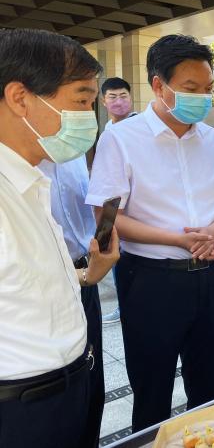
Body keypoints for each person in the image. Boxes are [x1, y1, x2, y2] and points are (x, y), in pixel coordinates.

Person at [87, 34, 214, 432]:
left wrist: (212, 233)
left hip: (209, 277)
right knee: (152, 388)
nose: (203, 98)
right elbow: (107, 218)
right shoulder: (121, 139)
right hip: (151, 281)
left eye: (207, 89)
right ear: (159, 85)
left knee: (209, 385)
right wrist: (176, 239)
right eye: (191, 89)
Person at [0, 28, 118, 448]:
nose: (90, 117)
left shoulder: (30, 180)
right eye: (82, 101)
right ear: (20, 98)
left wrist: (89, 276)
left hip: (66, 388)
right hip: (22, 409)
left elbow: (28, 289)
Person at [37, 156, 106, 448]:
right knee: (50, 402)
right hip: (40, 297)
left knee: (91, 389)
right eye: (78, 105)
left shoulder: (74, 154)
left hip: (85, 282)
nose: (83, 115)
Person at [102, 77, 137, 324]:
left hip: (134, 212)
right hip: (112, 210)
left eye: (123, 95)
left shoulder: (138, 127)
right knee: (115, 258)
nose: (119, 101)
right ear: (103, 101)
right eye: (113, 97)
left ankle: (131, 306)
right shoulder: (107, 129)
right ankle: (124, 306)